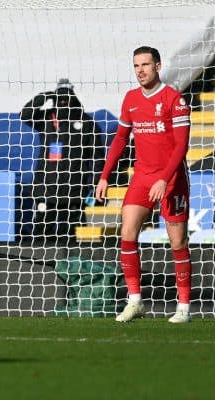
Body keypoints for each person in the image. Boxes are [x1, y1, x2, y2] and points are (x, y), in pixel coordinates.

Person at [95, 46, 192, 323]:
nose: (140, 70)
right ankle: (135, 300)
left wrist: (165, 178)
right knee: (127, 233)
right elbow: (120, 139)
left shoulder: (175, 99)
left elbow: (181, 146)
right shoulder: (131, 99)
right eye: (136, 66)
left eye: (146, 65)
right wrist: (104, 175)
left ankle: (183, 306)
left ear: (158, 67)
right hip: (142, 176)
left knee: (177, 241)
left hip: (172, 178)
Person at [20, 78, 106, 244]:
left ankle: (70, 266)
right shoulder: (46, 119)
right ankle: (39, 267)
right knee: (41, 234)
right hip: (46, 189)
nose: (64, 101)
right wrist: (44, 96)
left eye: (67, 98)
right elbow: (25, 115)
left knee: (70, 236)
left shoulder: (87, 123)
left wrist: (95, 183)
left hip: (74, 191)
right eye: (60, 98)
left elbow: (97, 157)